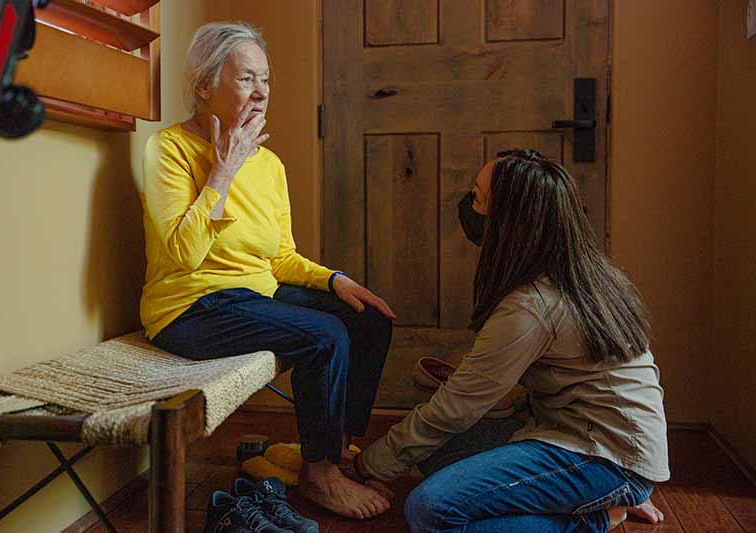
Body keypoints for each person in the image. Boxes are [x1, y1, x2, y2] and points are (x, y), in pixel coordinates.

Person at [140, 22, 394, 519]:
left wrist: (335, 280)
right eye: (246, 79)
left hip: (256, 295)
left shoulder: (270, 164)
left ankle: (329, 450)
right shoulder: (168, 150)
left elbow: (279, 257)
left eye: (266, 79)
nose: (261, 92)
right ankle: (321, 477)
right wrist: (223, 171)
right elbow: (182, 255)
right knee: (325, 335)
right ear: (203, 86)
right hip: (190, 308)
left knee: (368, 318)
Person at [353, 149, 669, 531]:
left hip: (603, 456)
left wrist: (365, 464)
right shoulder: (589, 271)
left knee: (429, 508)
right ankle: (592, 498)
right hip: (588, 438)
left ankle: (595, 517)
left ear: (509, 222)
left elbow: (456, 409)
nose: (470, 207)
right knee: (438, 451)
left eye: (479, 199)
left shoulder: (532, 306)